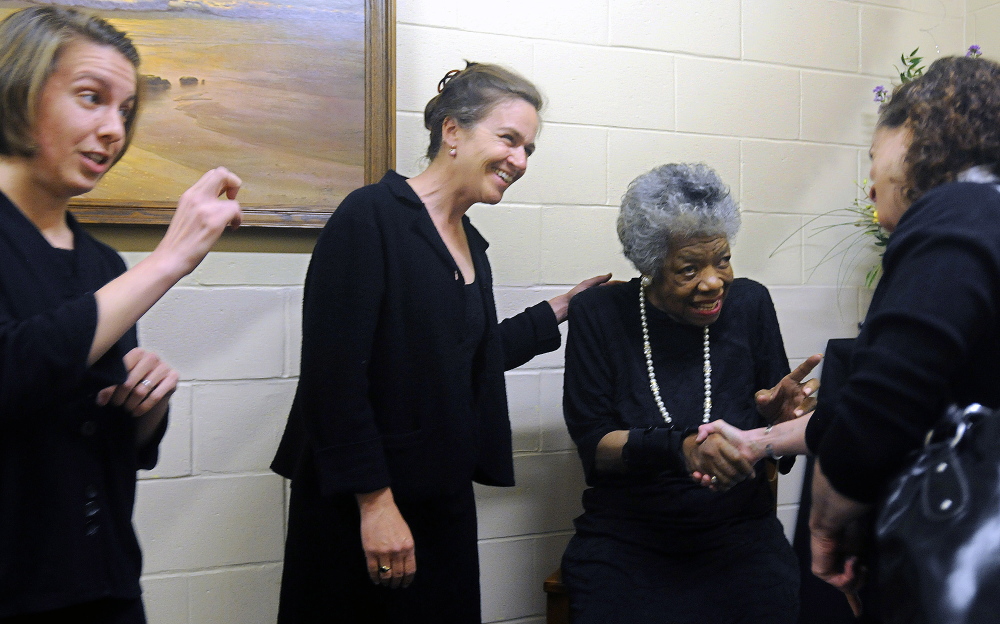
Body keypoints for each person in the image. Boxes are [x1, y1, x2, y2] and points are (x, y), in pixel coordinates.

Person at [270, 62, 609, 624]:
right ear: (452, 131)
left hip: (438, 502)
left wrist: (558, 311)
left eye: (528, 148)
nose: (520, 161)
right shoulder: (370, 217)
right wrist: (375, 504)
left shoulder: (470, 243)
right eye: (508, 139)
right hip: (363, 506)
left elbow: (462, 361)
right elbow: (334, 379)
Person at [0, 6, 243, 623]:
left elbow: (109, 441)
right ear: (20, 94)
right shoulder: (132, 272)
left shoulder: (104, 264)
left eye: (125, 111)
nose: (113, 129)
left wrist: (145, 410)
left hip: (102, 581)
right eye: (91, 98)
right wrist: (167, 260)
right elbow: (14, 374)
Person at [560, 162, 820, 624]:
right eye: (688, 268)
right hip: (627, 540)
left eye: (722, 259)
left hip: (740, 537)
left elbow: (778, 441)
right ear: (651, 265)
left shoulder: (751, 304)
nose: (714, 281)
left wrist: (785, 422)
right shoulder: (600, 314)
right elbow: (596, 446)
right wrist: (680, 449)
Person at [801, 55, 1000, 622]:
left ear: (916, 130)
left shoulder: (960, 212)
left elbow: (885, 400)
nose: (868, 181)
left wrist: (825, 525)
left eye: (872, 156)